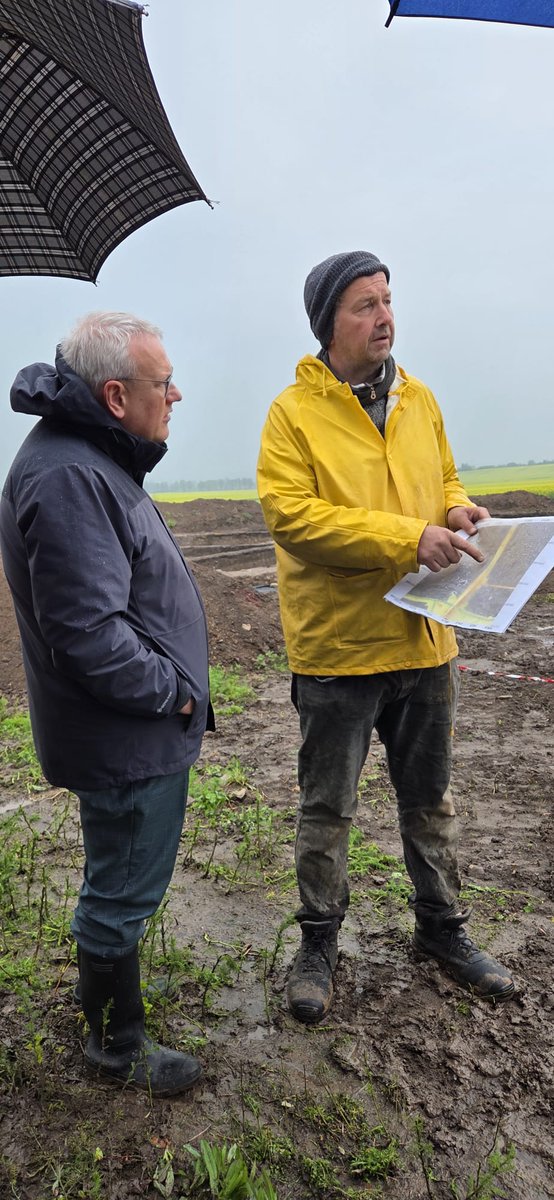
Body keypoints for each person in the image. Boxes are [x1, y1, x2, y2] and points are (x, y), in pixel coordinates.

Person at [257, 251, 514, 1025]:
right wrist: (409, 538)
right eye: (365, 305)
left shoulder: (419, 398)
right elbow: (295, 519)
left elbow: (445, 479)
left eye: (388, 300)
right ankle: (318, 945)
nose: (385, 317)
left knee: (430, 801)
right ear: (328, 324)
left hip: (426, 642)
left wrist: (458, 509)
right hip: (340, 649)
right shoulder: (292, 414)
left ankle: (442, 928)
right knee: (327, 809)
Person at [0, 312, 214, 1095]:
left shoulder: (86, 457)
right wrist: (176, 695)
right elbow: (89, 637)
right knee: (121, 887)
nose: (176, 395)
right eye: (165, 384)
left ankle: (108, 1006)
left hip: (131, 734)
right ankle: (114, 1046)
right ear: (116, 395)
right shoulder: (69, 475)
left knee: (118, 875)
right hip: (128, 738)